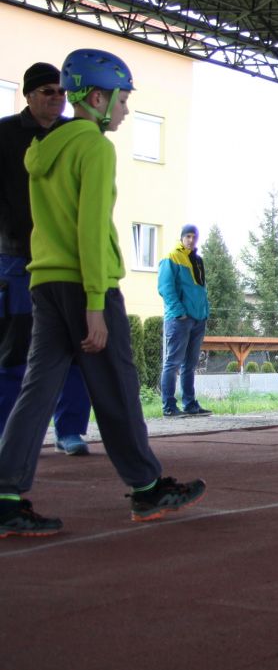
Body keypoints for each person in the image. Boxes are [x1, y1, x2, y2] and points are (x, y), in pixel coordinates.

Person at [0, 48, 206, 537]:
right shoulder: (94, 147)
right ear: (97, 98)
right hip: (85, 285)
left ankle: (5, 496)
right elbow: (90, 229)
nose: (126, 110)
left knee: (36, 390)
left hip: (44, 283)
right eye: (122, 99)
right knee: (117, 386)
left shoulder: (43, 148)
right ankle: (147, 487)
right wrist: (95, 303)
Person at [0, 63, 93, 457]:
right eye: (47, 92)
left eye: (61, 92)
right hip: (16, 259)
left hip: (68, 260)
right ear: (28, 95)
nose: (56, 98)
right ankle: (7, 436)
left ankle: (70, 431)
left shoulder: (75, 134)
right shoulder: (4, 134)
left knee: (77, 347)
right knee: (15, 349)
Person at [157, 224, 212, 417]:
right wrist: (179, 312)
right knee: (173, 363)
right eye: (187, 236)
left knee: (190, 364)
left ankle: (190, 404)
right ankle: (169, 406)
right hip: (179, 319)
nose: (191, 240)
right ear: (181, 238)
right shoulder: (171, 257)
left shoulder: (197, 260)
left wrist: (204, 313)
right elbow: (165, 288)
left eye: (194, 237)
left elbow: (201, 289)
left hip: (198, 319)